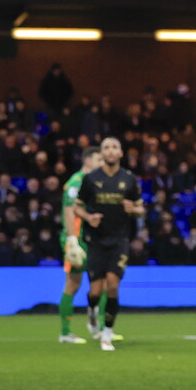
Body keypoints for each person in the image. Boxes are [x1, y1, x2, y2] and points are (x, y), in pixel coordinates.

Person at [73, 137, 145, 351]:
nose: (111, 151)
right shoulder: (91, 179)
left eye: (115, 147)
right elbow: (77, 207)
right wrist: (88, 217)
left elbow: (141, 208)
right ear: (102, 154)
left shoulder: (129, 179)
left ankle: (107, 333)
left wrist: (133, 209)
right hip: (95, 241)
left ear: (121, 153)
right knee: (95, 291)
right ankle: (91, 310)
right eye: (106, 148)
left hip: (119, 240)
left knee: (112, 285)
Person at [58, 145, 107, 344]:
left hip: (93, 238)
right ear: (88, 161)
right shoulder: (75, 182)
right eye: (99, 160)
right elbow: (69, 210)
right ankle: (65, 333)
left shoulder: (95, 182)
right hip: (77, 238)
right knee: (73, 283)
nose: (102, 163)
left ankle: (100, 328)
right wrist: (72, 241)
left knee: (102, 282)